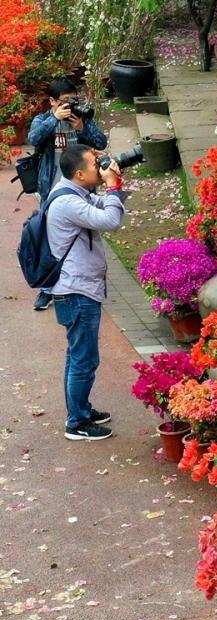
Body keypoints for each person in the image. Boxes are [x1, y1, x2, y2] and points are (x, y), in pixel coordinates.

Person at [46, 143, 126, 442]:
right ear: (79, 174)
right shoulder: (67, 202)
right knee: (84, 359)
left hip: (78, 288)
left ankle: (80, 410)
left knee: (77, 356)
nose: (101, 165)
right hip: (76, 291)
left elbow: (104, 205)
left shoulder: (72, 191)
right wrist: (113, 187)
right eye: (96, 164)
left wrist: (114, 187)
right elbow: (111, 220)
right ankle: (76, 423)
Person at [28, 78, 108, 311]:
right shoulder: (43, 119)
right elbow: (33, 139)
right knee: (50, 242)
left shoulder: (81, 118)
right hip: (51, 192)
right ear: (52, 101)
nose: (70, 106)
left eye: (74, 100)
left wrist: (81, 128)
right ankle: (46, 290)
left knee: (84, 240)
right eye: (64, 102)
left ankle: (85, 287)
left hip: (82, 191)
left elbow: (100, 141)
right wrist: (54, 119)